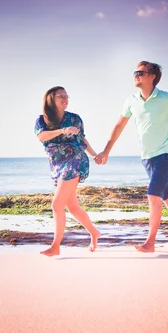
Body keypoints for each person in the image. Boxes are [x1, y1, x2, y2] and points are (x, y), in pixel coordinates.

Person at [94, 61, 168, 252]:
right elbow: (119, 126)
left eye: (140, 72)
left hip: (166, 155)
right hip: (147, 158)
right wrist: (106, 151)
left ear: (152, 77)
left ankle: (150, 242)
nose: (136, 75)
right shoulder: (131, 101)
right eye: (135, 72)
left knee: (152, 194)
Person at [35, 86, 101, 256]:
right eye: (61, 96)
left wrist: (94, 155)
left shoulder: (74, 118)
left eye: (66, 96)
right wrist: (63, 131)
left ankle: (56, 245)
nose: (65, 99)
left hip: (75, 159)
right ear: (51, 99)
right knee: (72, 207)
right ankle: (94, 233)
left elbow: (82, 139)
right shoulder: (42, 120)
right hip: (57, 164)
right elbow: (41, 136)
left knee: (56, 204)